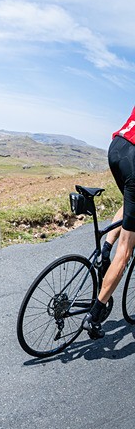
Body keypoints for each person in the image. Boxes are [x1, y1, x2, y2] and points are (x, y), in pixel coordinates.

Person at [83, 106, 135, 339]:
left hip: (117, 147)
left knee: (129, 200)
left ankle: (105, 251)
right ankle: (95, 314)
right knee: (126, 252)